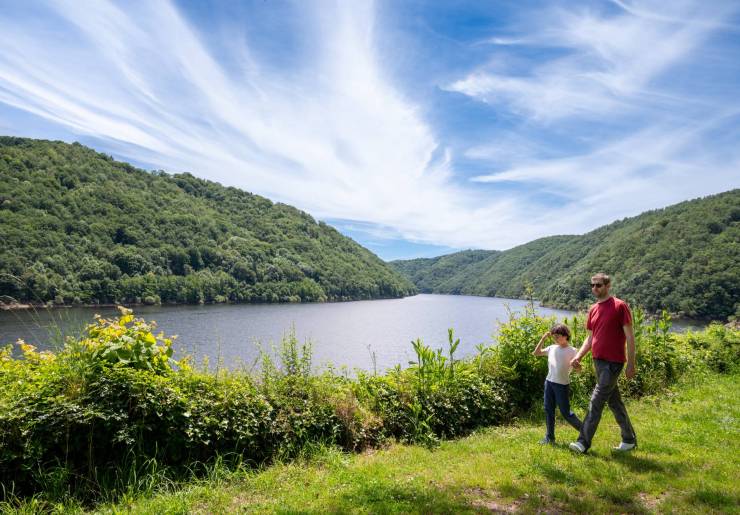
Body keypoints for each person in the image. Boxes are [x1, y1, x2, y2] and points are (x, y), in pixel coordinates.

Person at [569, 273, 637, 454]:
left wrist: (631, 364)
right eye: (592, 285)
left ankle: (583, 442)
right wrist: (578, 356)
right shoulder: (593, 309)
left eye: (598, 285)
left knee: (596, 401)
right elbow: (590, 338)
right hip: (598, 362)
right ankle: (629, 439)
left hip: (613, 363)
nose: (594, 289)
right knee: (614, 402)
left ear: (608, 285)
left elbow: (630, 337)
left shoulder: (620, 306)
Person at [532, 323, 582, 444]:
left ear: (566, 335)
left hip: (562, 386)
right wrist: (543, 339)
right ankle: (550, 438)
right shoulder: (551, 348)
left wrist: (578, 366)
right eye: (554, 336)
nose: (556, 339)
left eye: (558, 336)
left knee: (565, 413)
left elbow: (579, 370)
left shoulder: (573, 351)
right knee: (549, 410)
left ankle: (586, 431)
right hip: (549, 383)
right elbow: (536, 353)